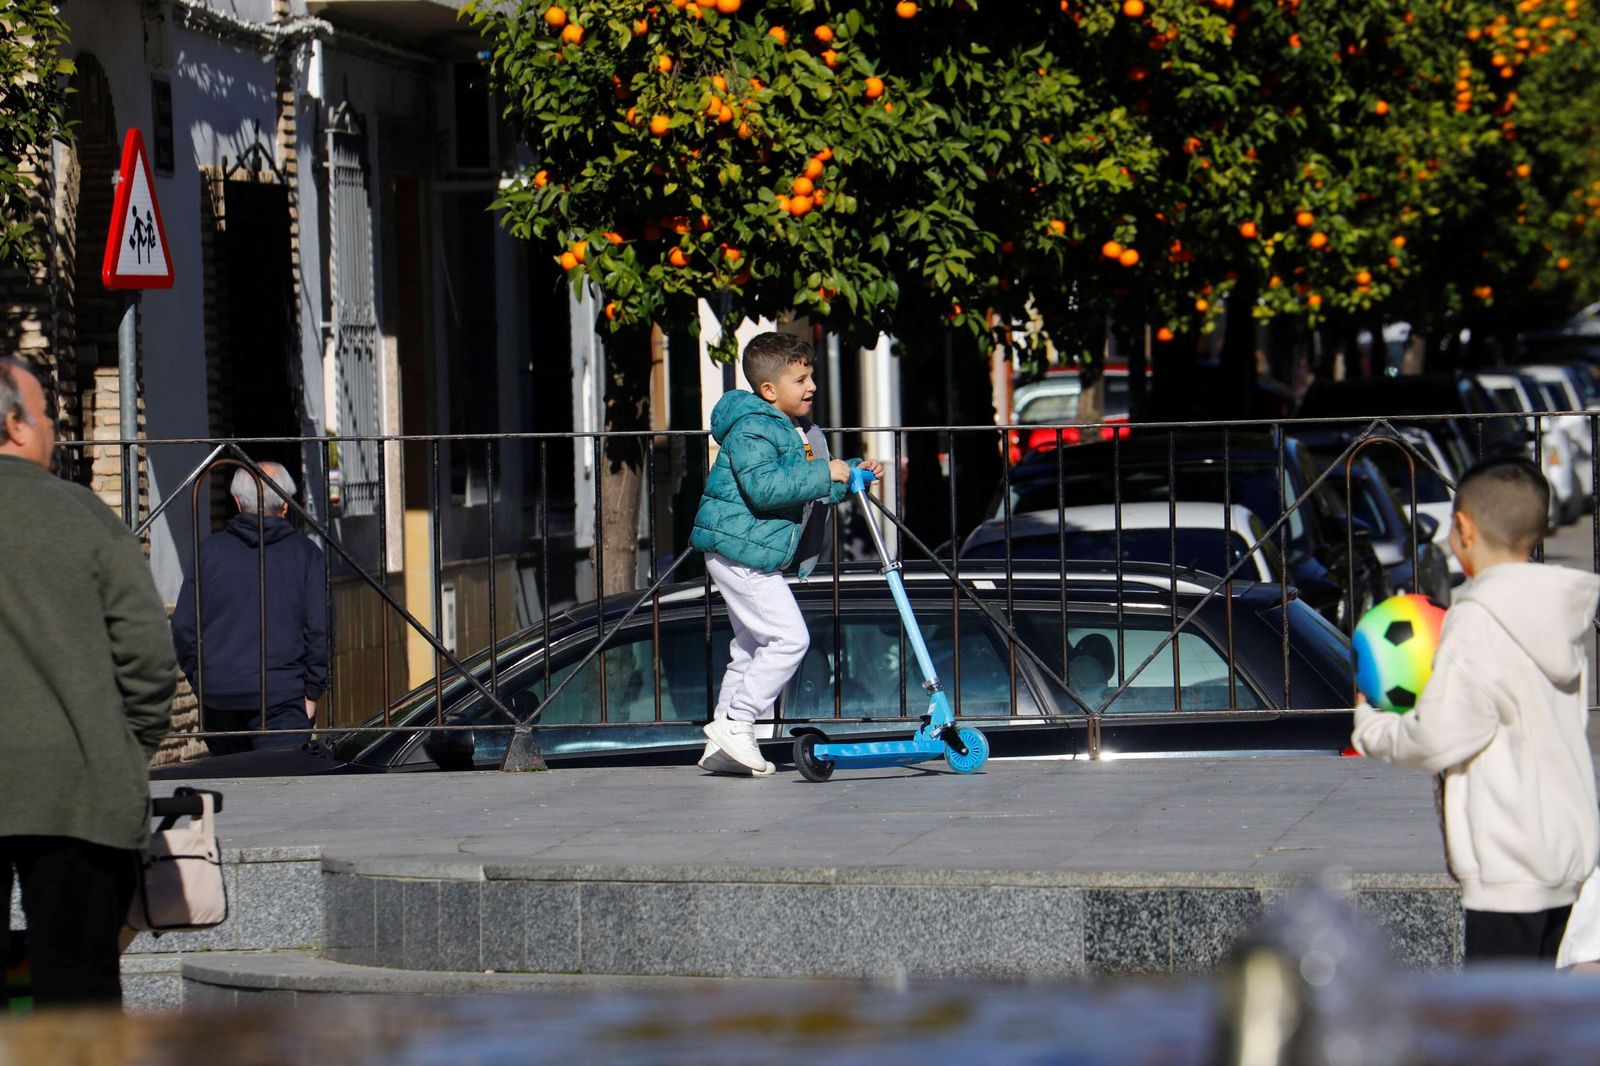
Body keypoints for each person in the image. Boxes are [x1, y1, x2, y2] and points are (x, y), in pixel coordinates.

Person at [1352, 456, 1600, 964]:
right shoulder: (1556, 614)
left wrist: (1372, 726)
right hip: (1567, 851)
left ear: (1462, 528)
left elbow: (1441, 736)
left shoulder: (1477, 619)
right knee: (1541, 1013)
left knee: (1497, 1022)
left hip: (1509, 861)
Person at [0, 357, 176, 1006]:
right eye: (47, 414)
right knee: (77, 989)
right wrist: (128, 748)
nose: (53, 428)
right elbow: (149, 658)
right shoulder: (81, 517)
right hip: (77, 785)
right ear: (16, 426)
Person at [689, 332, 881, 775]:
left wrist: (849, 474)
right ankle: (739, 723)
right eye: (800, 379)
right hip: (741, 550)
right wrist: (823, 471)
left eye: (811, 375)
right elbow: (766, 488)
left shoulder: (797, 429)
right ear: (769, 389)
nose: (811, 386)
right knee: (789, 638)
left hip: (748, 549)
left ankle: (723, 744)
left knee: (751, 646)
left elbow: (803, 491)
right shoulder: (754, 426)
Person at [171, 461, 329, 755]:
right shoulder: (306, 556)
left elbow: (183, 628)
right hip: (282, 698)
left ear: (236, 502)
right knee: (280, 791)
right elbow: (320, 630)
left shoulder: (208, 553)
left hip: (221, 700)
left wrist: (203, 682)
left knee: (234, 792)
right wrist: (312, 692)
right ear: (285, 504)